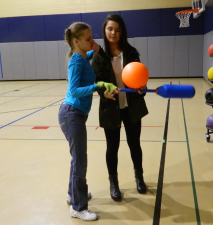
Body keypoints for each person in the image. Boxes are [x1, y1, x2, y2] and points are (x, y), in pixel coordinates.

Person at [58, 22, 117, 221]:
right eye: (88, 39)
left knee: (77, 158)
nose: (92, 41)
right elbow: (73, 90)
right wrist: (98, 85)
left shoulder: (83, 56)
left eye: (92, 37)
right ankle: (78, 206)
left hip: (77, 114)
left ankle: (72, 194)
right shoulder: (76, 61)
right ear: (76, 42)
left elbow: (90, 57)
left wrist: (96, 50)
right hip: (71, 114)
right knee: (80, 160)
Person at [92, 14, 148, 201]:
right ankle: (114, 184)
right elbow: (98, 82)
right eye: (110, 29)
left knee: (135, 145)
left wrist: (142, 89)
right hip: (111, 108)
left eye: (117, 29)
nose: (113, 33)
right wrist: (104, 92)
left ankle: (139, 178)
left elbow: (140, 79)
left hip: (131, 106)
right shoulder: (99, 56)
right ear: (104, 31)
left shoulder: (131, 53)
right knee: (112, 148)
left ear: (122, 31)